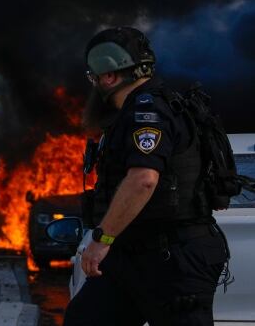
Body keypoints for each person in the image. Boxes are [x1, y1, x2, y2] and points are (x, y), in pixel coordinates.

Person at [64, 27, 230, 326]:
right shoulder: (135, 112)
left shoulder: (148, 111)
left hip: (174, 259)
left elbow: (144, 179)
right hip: (132, 256)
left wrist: (102, 239)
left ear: (110, 77)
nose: (94, 86)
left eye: (94, 78)